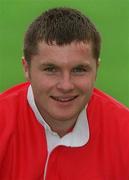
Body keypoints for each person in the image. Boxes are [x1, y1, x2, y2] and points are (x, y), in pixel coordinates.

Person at [0, 7, 129, 180]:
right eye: (51, 69)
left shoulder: (124, 133)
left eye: (79, 69)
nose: (66, 85)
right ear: (26, 69)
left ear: (96, 69)